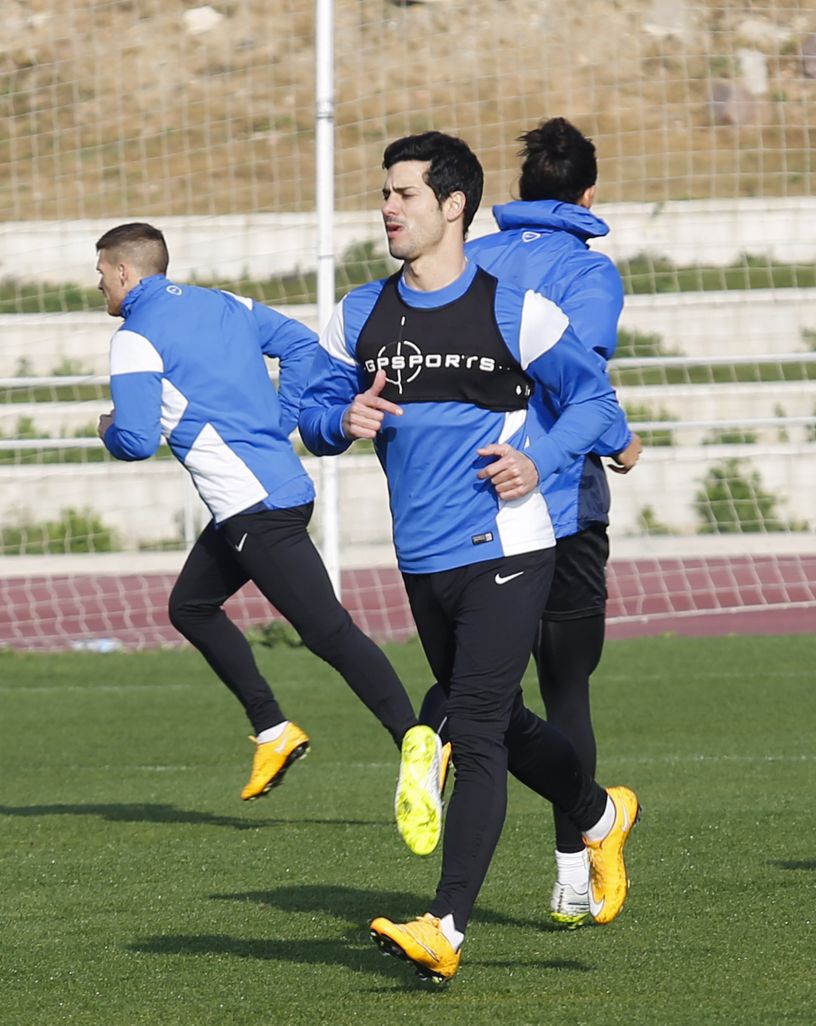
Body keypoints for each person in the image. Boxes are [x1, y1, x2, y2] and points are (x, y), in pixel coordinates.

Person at [297, 131, 639, 983]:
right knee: (506, 721)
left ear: (453, 206)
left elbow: (596, 404)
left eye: (403, 194)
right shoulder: (356, 314)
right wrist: (336, 424)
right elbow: (304, 412)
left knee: (477, 732)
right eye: (383, 193)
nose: (386, 208)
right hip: (422, 557)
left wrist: (543, 462)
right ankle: (600, 815)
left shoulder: (514, 311)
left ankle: (444, 926)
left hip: (511, 544)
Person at [93, 222, 444, 855]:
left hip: (257, 509)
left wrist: (108, 426)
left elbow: (137, 440)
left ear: (123, 273)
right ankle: (273, 730)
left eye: (101, 274)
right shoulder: (224, 302)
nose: (98, 286)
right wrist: (278, 421)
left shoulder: (134, 338)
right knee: (190, 607)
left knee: (329, 633)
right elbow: (303, 346)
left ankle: (419, 743)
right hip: (262, 498)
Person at [416, 116, 641, 929]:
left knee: (479, 687)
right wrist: (619, 437)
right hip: (558, 504)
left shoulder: (469, 257)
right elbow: (576, 379)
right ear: (587, 194)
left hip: (470, 500)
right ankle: (574, 869)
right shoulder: (589, 272)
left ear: (516, 194)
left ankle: (426, 734)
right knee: (565, 688)